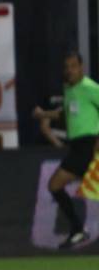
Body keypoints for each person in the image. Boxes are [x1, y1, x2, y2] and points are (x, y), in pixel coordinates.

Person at [32, 51, 98, 248]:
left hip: (88, 145)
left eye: (73, 66)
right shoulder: (69, 89)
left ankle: (78, 230)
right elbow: (67, 113)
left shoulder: (90, 87)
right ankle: (78, 230)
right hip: (77, 146)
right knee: (55, 186)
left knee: (54, 185)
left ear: (81, 68)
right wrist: (44, 114)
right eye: (66, 67)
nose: (69, 70)